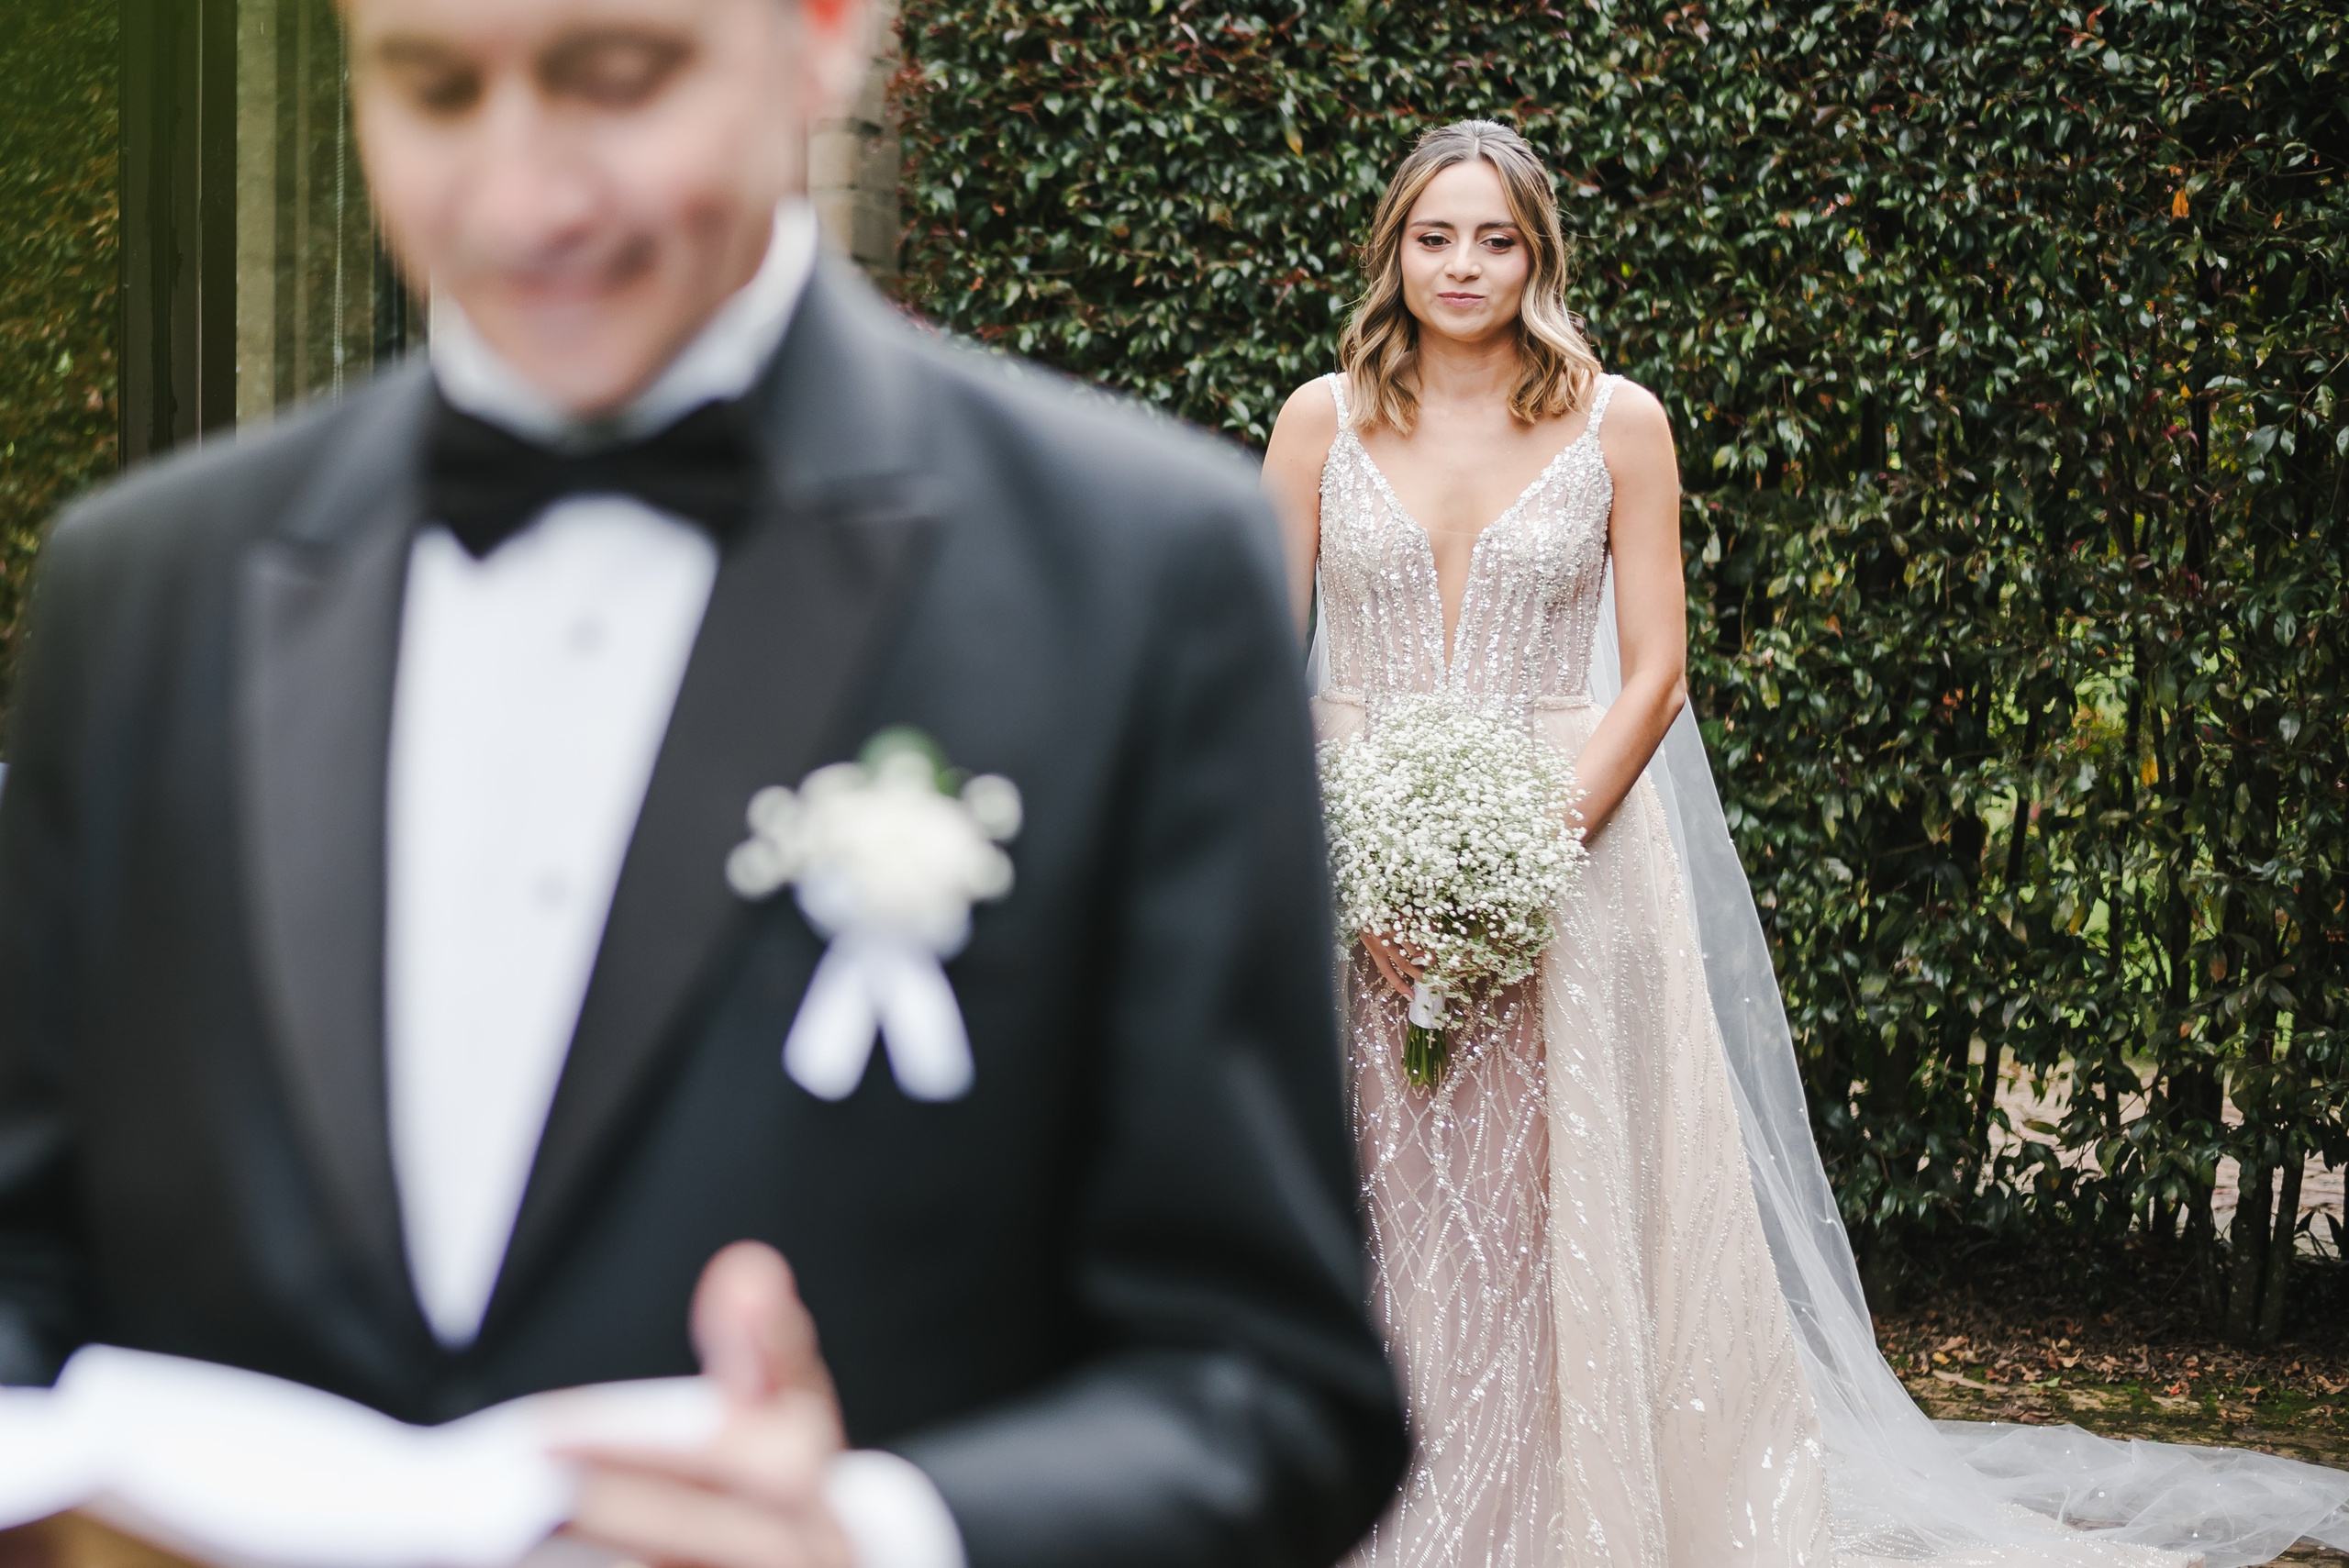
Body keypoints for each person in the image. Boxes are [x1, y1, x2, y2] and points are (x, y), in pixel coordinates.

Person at [0, 1, 1408, 1565]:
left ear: (821, 35)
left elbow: (1276, 1389)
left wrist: (877, 1536)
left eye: (618, 77)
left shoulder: (1143, 579)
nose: (526, 194)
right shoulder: (139, 590)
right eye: (436, 89)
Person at [1263, 118, 2349, 1567]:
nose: (1464, 264)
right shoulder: (1318, 420)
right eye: (1436, 235)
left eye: (1497, 237)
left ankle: (1546, 1516)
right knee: (1379, 1195)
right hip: (1355, 862)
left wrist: (1526, 852)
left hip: (1567, 862)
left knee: (1545, 1211)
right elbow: (1255, 669)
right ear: (1394, 248)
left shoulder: (1617, 423)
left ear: (1541, 255)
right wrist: (1355, 873)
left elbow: (1654, 670)